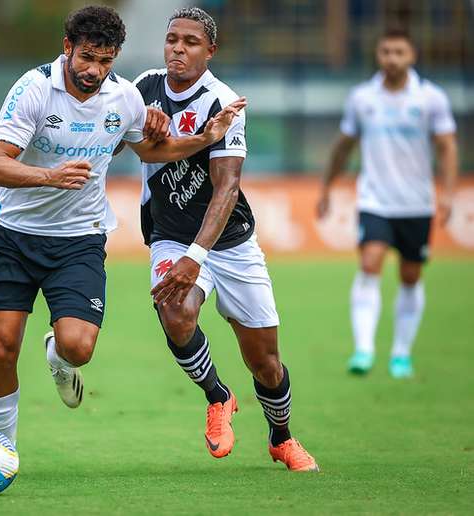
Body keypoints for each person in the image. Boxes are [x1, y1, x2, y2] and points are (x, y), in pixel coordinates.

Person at [0, 5, 245, 446]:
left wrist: (203, 139)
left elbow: (149, 150)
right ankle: (2, 444)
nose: (94, 70)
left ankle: (58, 358)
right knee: (2, 347)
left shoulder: (124, 97)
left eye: (105, 61)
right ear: (68, 49)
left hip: (79, 240)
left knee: (78, 347)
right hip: (15, 236)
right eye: (87, 58)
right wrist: (50, 176)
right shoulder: (33, 88)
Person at [131, 7, 317, 471]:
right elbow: (115, 141)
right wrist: (142, 126)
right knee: (175, 311)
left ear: (210, 51)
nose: (178, 47)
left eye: (191, 41)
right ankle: (218, 396)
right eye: (172, 38)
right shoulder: (142, 89)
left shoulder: (223, 102)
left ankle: (281, 438)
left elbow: (227, 187)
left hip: (229, 243)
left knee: (266, 362)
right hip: (170, 233)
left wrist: (198, 256)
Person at [318, 29, 458, 378]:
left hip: (416, 204)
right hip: (375, 200)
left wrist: (450, 192)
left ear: (412, 56)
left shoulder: (430, 98)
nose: (392, 58)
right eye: (385, 51)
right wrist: (326, 186)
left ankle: (400, 353)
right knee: (369, 263)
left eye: (399, 52)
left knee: (410, 275)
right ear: (378, 55)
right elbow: (344, 146)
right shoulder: (363, 98)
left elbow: (446, 146)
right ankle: (364, 350)